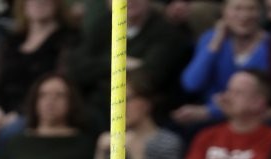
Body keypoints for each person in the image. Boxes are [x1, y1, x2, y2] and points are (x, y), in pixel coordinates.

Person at [67, 0, 192, 132]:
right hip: (98, 106)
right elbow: (77, 69)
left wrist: (101, 65)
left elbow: (150, 75)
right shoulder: (102, 26)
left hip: (150, 113)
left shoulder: (166, 32)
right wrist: (122, 63)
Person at [0, 0, 77, 142]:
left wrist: (20, 112)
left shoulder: (68, 40)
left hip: (39, 114)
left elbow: (60, 84)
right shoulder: (11, 42)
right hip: (1, 114)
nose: (38, 2)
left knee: (8, 134)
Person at [175, 0, 270, 127]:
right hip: (208, 120)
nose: (244, 16)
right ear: (224, 12)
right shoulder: (210, 39)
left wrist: (211, 111)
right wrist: (215, 44)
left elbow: (261, 96)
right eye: (237, 9)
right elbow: (191, 84)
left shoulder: (270, 45)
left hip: (251, 119)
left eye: (251, 9)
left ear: (260, 13)